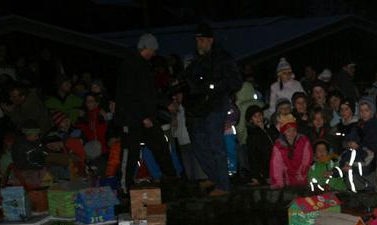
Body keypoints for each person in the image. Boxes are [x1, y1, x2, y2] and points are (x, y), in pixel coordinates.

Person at [182, 23, 242, 195]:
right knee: (199, 146)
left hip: (216, 107)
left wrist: (213, 87)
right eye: (196, 40)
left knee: (216, 146)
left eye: (201, 40)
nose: (198, 43)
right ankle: (215, 177)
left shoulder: (224, 58)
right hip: (199, 109)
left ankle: (223, 185)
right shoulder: (197, 60)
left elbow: (236, 82)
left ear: (210, 40)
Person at [115, 33, 176, 191]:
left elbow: (149, 92)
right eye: (153, 50)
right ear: (147, 48)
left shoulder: (144, 66)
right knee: (131, 153)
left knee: (160, 146)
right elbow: (129, 95)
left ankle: (171, 180)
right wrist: (142, 116)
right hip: (132, 119)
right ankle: (125, 187)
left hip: (147, 117)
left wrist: (166, 102)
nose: (154, 53)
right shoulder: (129, 65)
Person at [270, 114, 312, 189]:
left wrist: (302, 172)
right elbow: (276, 167)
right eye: (288, 131)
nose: (292, 133)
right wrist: (278, 184)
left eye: (294, 130)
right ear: (283, 132)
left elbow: (307, 159)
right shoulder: (278, 147)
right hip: (288, 181)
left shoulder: (304, 141)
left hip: (305, 178)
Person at [245, 104, 277, 185]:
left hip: (277, 166)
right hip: (266, 172)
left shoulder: (270, 129)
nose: (258, 118)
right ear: (251, 120)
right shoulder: (252, 136)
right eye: (255, 116)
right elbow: (252, 157)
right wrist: (256, 175)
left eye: (259, 115)